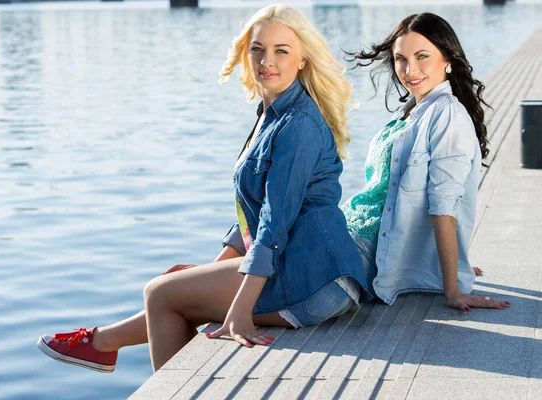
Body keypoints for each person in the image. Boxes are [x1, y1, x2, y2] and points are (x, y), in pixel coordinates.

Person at [37, 4, 371, 374]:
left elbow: (275, 224)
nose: (266, 61)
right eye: (258, 49)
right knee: (171, 285)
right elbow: (254, 211)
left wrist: (240, 310)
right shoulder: (271, 114)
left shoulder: (298, 124)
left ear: (303, 60)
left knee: (160, 294)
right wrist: (207, 274)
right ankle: (104, 345)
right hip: (303, 265)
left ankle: (104, 344)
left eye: (281, 51)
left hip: (316, 281)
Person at [342, 12, 510, 312]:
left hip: (369, 249)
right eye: (401, 59)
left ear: (447, 59)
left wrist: (452, 289)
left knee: (263, 267)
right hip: (351, 228)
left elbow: (444, 205)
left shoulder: (446, 114)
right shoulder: (413, 109)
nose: (410, 70)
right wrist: (452, 264)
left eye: (422, 57)